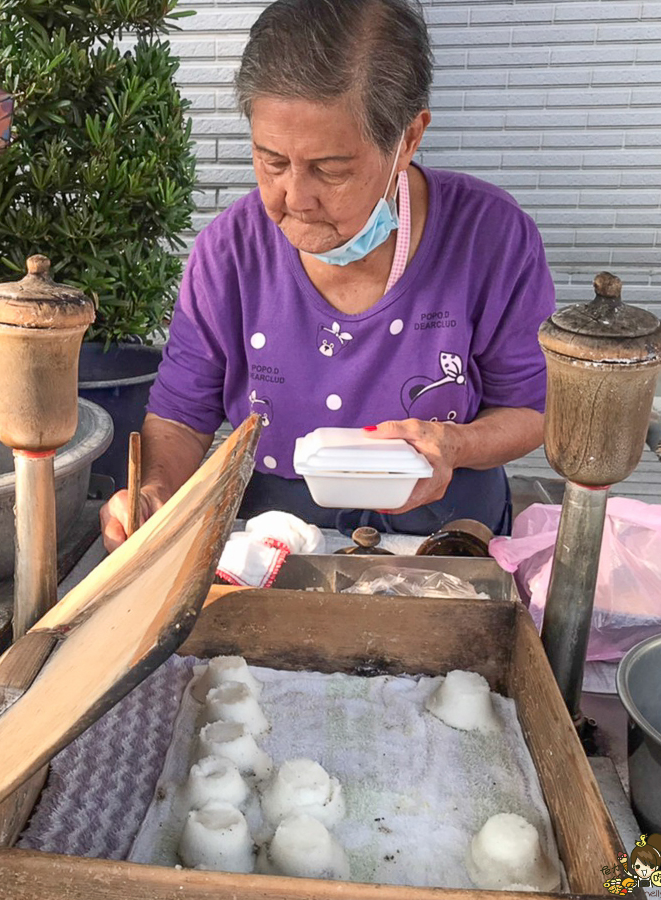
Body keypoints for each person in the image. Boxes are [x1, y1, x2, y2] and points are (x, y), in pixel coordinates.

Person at [101, 0, 555, 552]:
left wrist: (455, 444)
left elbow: (531, 408)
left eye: (331, 170)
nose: (295, 197)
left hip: (449, 528)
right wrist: (151, 493)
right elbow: (180, 417)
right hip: (277, 534)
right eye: (271, 161)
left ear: (408, 139)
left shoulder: (490, 237)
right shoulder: (230, 252)